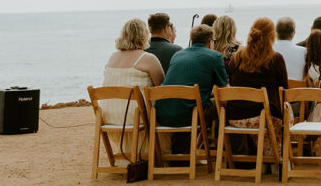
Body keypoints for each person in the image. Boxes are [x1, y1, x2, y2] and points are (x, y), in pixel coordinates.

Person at [155, 25, 229, 154]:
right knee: (224, 103)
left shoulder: (177, 55)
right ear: (210, 42)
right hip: (190, 114)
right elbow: (225, 90)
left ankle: (185, 151)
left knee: (193, 103)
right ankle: (221, 149)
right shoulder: (214, 56)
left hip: (163, 113)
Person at [102, 18, 164, 153]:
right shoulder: (148, 58)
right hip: (135, 116)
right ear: (144, 35)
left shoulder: (112, 57)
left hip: (108, 115)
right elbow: (161, 89)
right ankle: (155, 154)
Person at [224, 18, 288, 131]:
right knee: (287, 110)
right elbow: (284, 90)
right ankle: (273, 148)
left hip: (235, 117)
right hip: (263, 117)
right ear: (272, 36)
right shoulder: (276, 59)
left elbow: (231, 83)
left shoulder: (236, 57)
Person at [273, 16, 307, 81]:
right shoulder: (303, 52)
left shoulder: (268, 51)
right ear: (293, 33)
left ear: (276, 32)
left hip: (275, 90)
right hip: (297, 90)